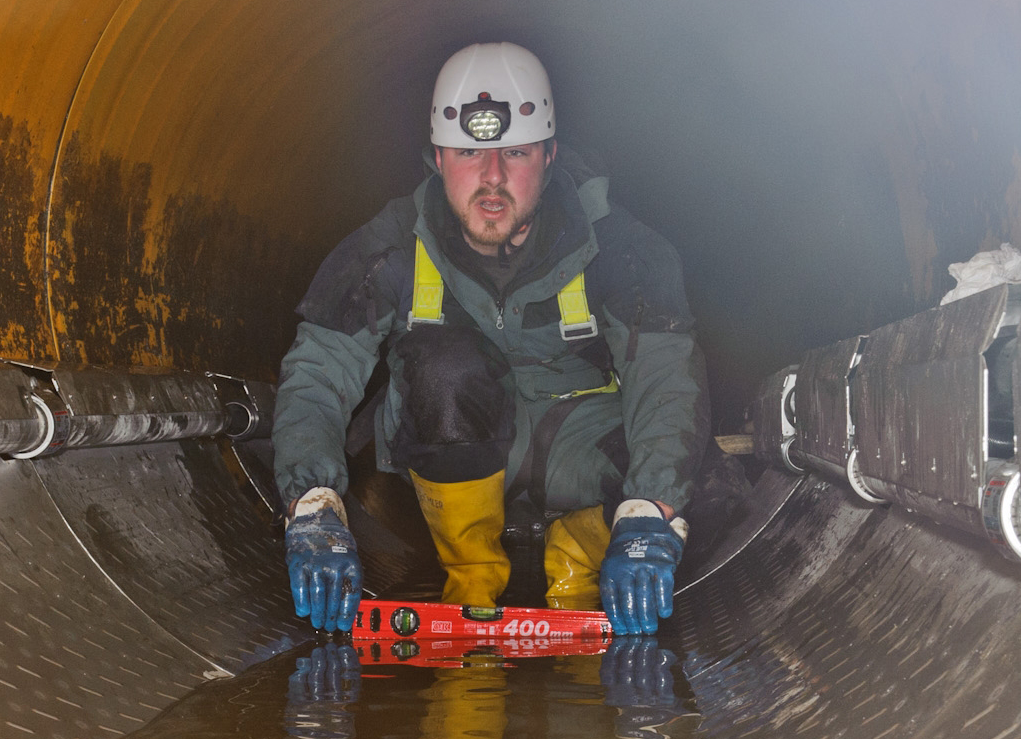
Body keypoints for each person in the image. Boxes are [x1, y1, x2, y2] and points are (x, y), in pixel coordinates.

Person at [274, 42, 708, 637]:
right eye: (470, 153)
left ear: (550, 156)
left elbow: (665, 375)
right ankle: (470, 580)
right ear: (437, 157)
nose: (493, 176)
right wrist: (313, 501)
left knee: (679, 464)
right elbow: (320, 367)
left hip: (579, 448)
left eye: (517, 152)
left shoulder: (622, 247)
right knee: (442, 365)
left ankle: (579, 556)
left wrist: (651, 512)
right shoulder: (391, 245)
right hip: (453, 448)